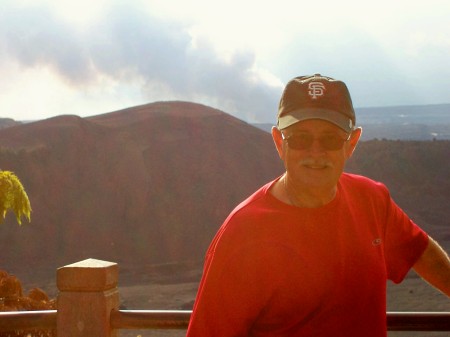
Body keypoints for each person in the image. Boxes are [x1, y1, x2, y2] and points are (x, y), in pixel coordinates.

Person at [186, 74, 450, 337]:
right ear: (279, 142)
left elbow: (420, 251)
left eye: (330, 139)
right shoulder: (242, 232)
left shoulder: (371, 200)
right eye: (300, 138)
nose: (315, 152)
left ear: (352, 143)